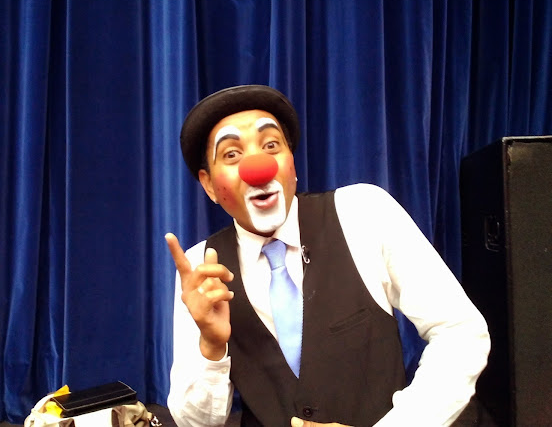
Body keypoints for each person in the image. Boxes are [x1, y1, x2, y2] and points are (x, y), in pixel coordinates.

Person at [165, 85, 490, 427]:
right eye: (232, 154)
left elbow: (460, 332)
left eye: (271, 145)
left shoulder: (364, 212)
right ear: (209, 185)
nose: (258, 166)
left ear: (291, 164)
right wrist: (211, 347)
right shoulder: (202, 267)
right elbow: (195, 422)